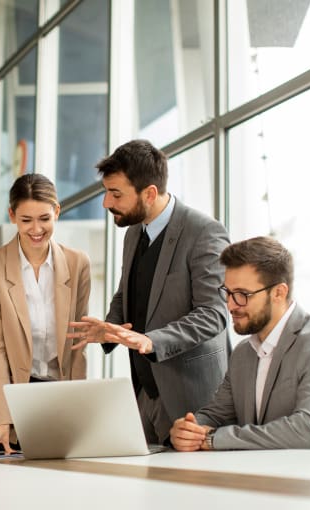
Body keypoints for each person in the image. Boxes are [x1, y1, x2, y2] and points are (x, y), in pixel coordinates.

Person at [69, 139, 230, 444]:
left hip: (193, 399)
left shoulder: (204, 232)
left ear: (150, 193)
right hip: (145, 393)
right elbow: (126, 291)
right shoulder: (133, 233)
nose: (106, 203)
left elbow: (214, 314)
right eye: (106, 192)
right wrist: (109, 327)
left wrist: (150, 341)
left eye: (115, 194)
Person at [0, 173, 91, 454]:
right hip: (2, 406)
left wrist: (79, 414)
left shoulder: (77, 263)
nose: (37, 229)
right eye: (26, 220)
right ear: (12, 215)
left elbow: (77, 345)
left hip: (55, 403)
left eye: (44, 218)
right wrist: (1, 419)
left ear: (57, 212)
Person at [170, 236, 310, 451]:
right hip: (252, 478)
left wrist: (215, 439)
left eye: (242, 294)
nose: (231, 305)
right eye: (228, 293)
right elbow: (216, 414)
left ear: (279, 292)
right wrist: (189, 430)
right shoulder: (243, 352)